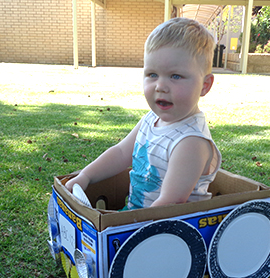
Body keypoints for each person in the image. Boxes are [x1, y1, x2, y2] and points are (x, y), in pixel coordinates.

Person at [66, 17, 221, 210]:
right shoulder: (151, 119)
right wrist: (86, 176)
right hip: (137, 218)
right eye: (152, 74)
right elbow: (121, 153)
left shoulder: (191, 141)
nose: (161, 86)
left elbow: (170, 204)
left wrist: (122, 225)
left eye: (176, 76)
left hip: (167, 228)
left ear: (204, 86)